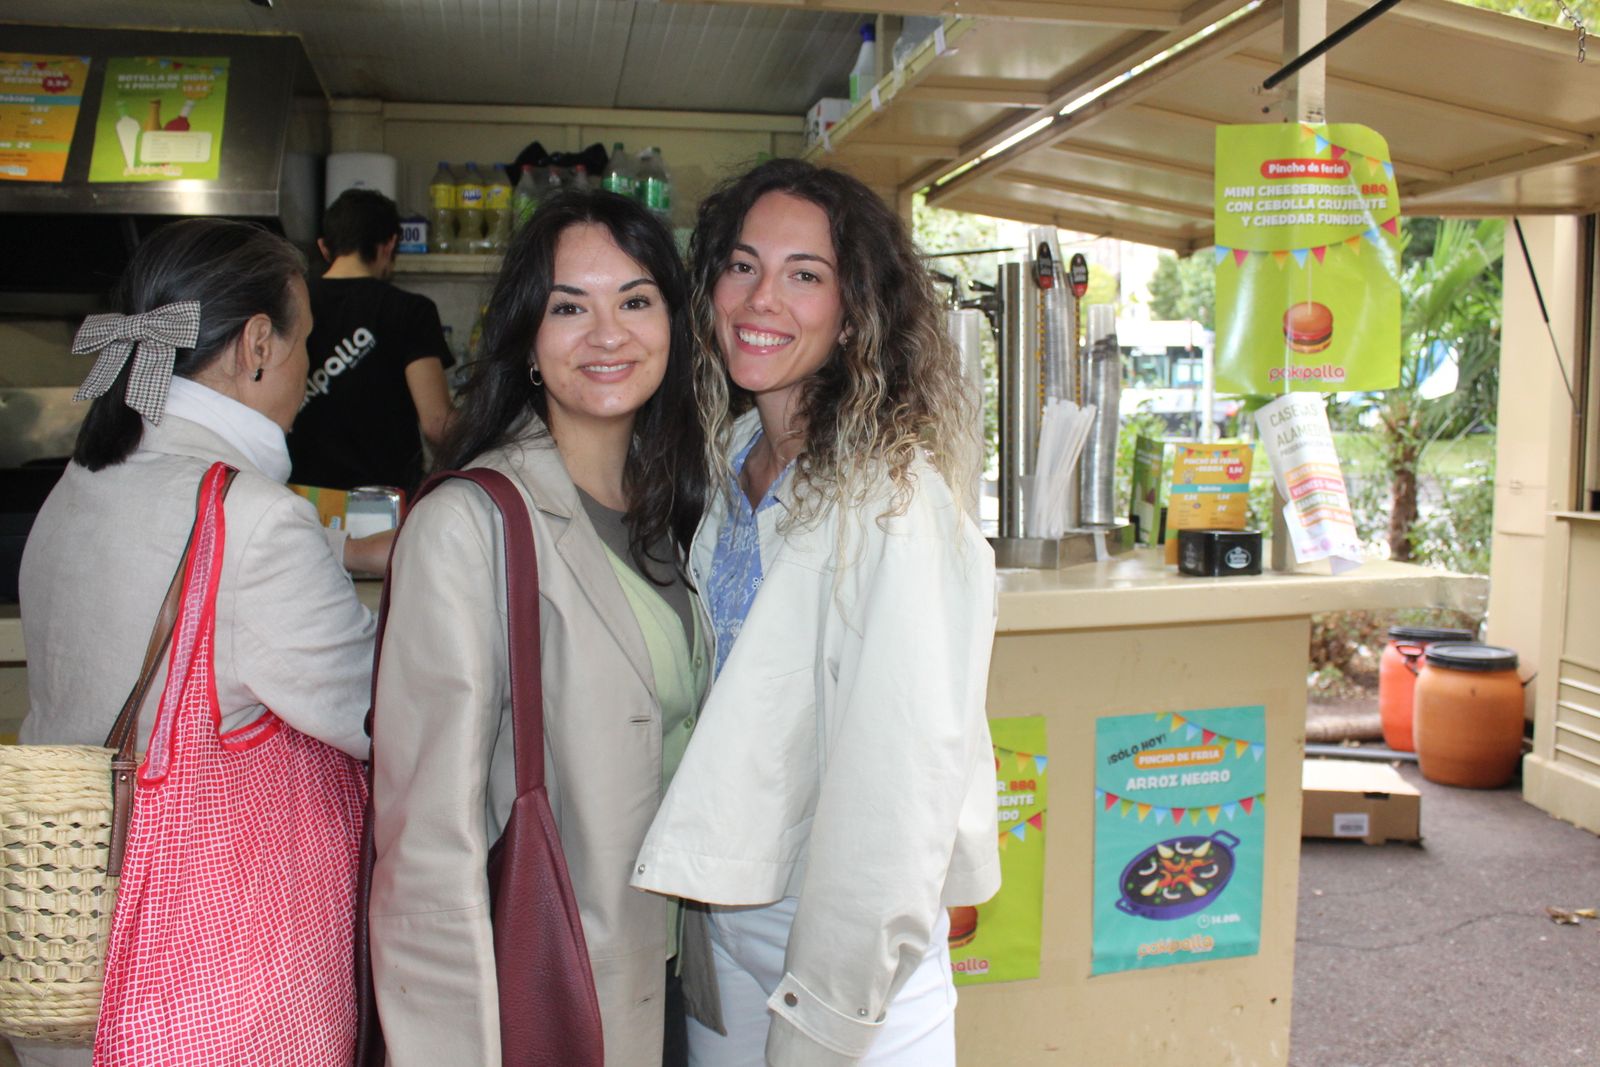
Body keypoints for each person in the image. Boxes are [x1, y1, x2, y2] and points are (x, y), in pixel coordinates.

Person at [631, 158, 1002, 1067]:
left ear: (854, 314)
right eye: (743, 265)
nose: (763, 299)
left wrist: (830, 1012)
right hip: (729, 929)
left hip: (843, 959)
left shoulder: (896, 499)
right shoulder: (734, 457)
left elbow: (898, 790)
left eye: (806, 275)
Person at [17, 218, 386, 1066]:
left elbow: (189, 575)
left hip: (69, 948)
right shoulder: (248, 520)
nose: (305, 373)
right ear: (258, 343)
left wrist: (331, 548)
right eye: (305, 343)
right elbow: (380, 712)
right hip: (198, 982)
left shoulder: (78, 486)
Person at [367, 189, 710, 1067]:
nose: (607, 334)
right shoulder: (471, 524)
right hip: (552, 996)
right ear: (525, 338)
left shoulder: (664, 508)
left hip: (665, 974)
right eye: (569, 307)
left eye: (635, 300)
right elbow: (427, 843)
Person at [287, 188, 455, 494]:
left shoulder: (290, 304)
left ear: (325, 248)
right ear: (389, 244)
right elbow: (437, 423)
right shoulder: (410, 311)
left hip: (300, 497)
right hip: (383, 503)